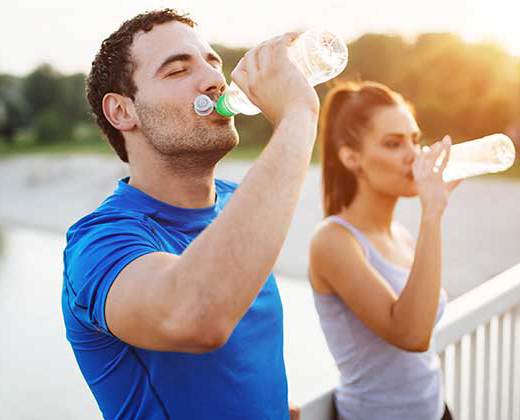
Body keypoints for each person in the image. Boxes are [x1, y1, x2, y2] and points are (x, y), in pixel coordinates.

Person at [61, 8, 318, 419]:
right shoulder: (97, 245)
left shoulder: (239, 204)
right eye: (178, 70)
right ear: (122, 112)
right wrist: (299, 114)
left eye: (213, 62)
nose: (215, 79)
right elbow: (195, 315)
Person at [308, 81, 461, 420]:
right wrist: (432, 215)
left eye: (415, 140)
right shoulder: (333, 241)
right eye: (394, 144)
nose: (414, 155)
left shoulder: (402, 236)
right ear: (351, 157)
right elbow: (412, 334)